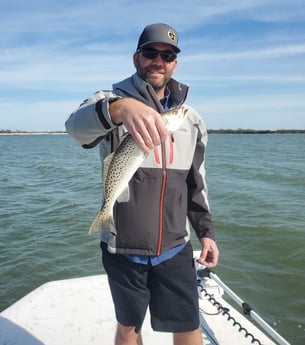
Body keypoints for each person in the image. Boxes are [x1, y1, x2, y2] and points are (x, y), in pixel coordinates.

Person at [65, 23, 219, 345]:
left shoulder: (191, 120)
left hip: (176, 246)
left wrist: (206, 232)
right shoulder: (110, 101)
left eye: (168, 55)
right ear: (137, 58)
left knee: (188, 325)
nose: (158, 60)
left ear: (175, 63)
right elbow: (75, 128)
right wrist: (119, 109)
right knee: (127, 328)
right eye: (151, 53)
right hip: (123, 247)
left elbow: (196, 183)